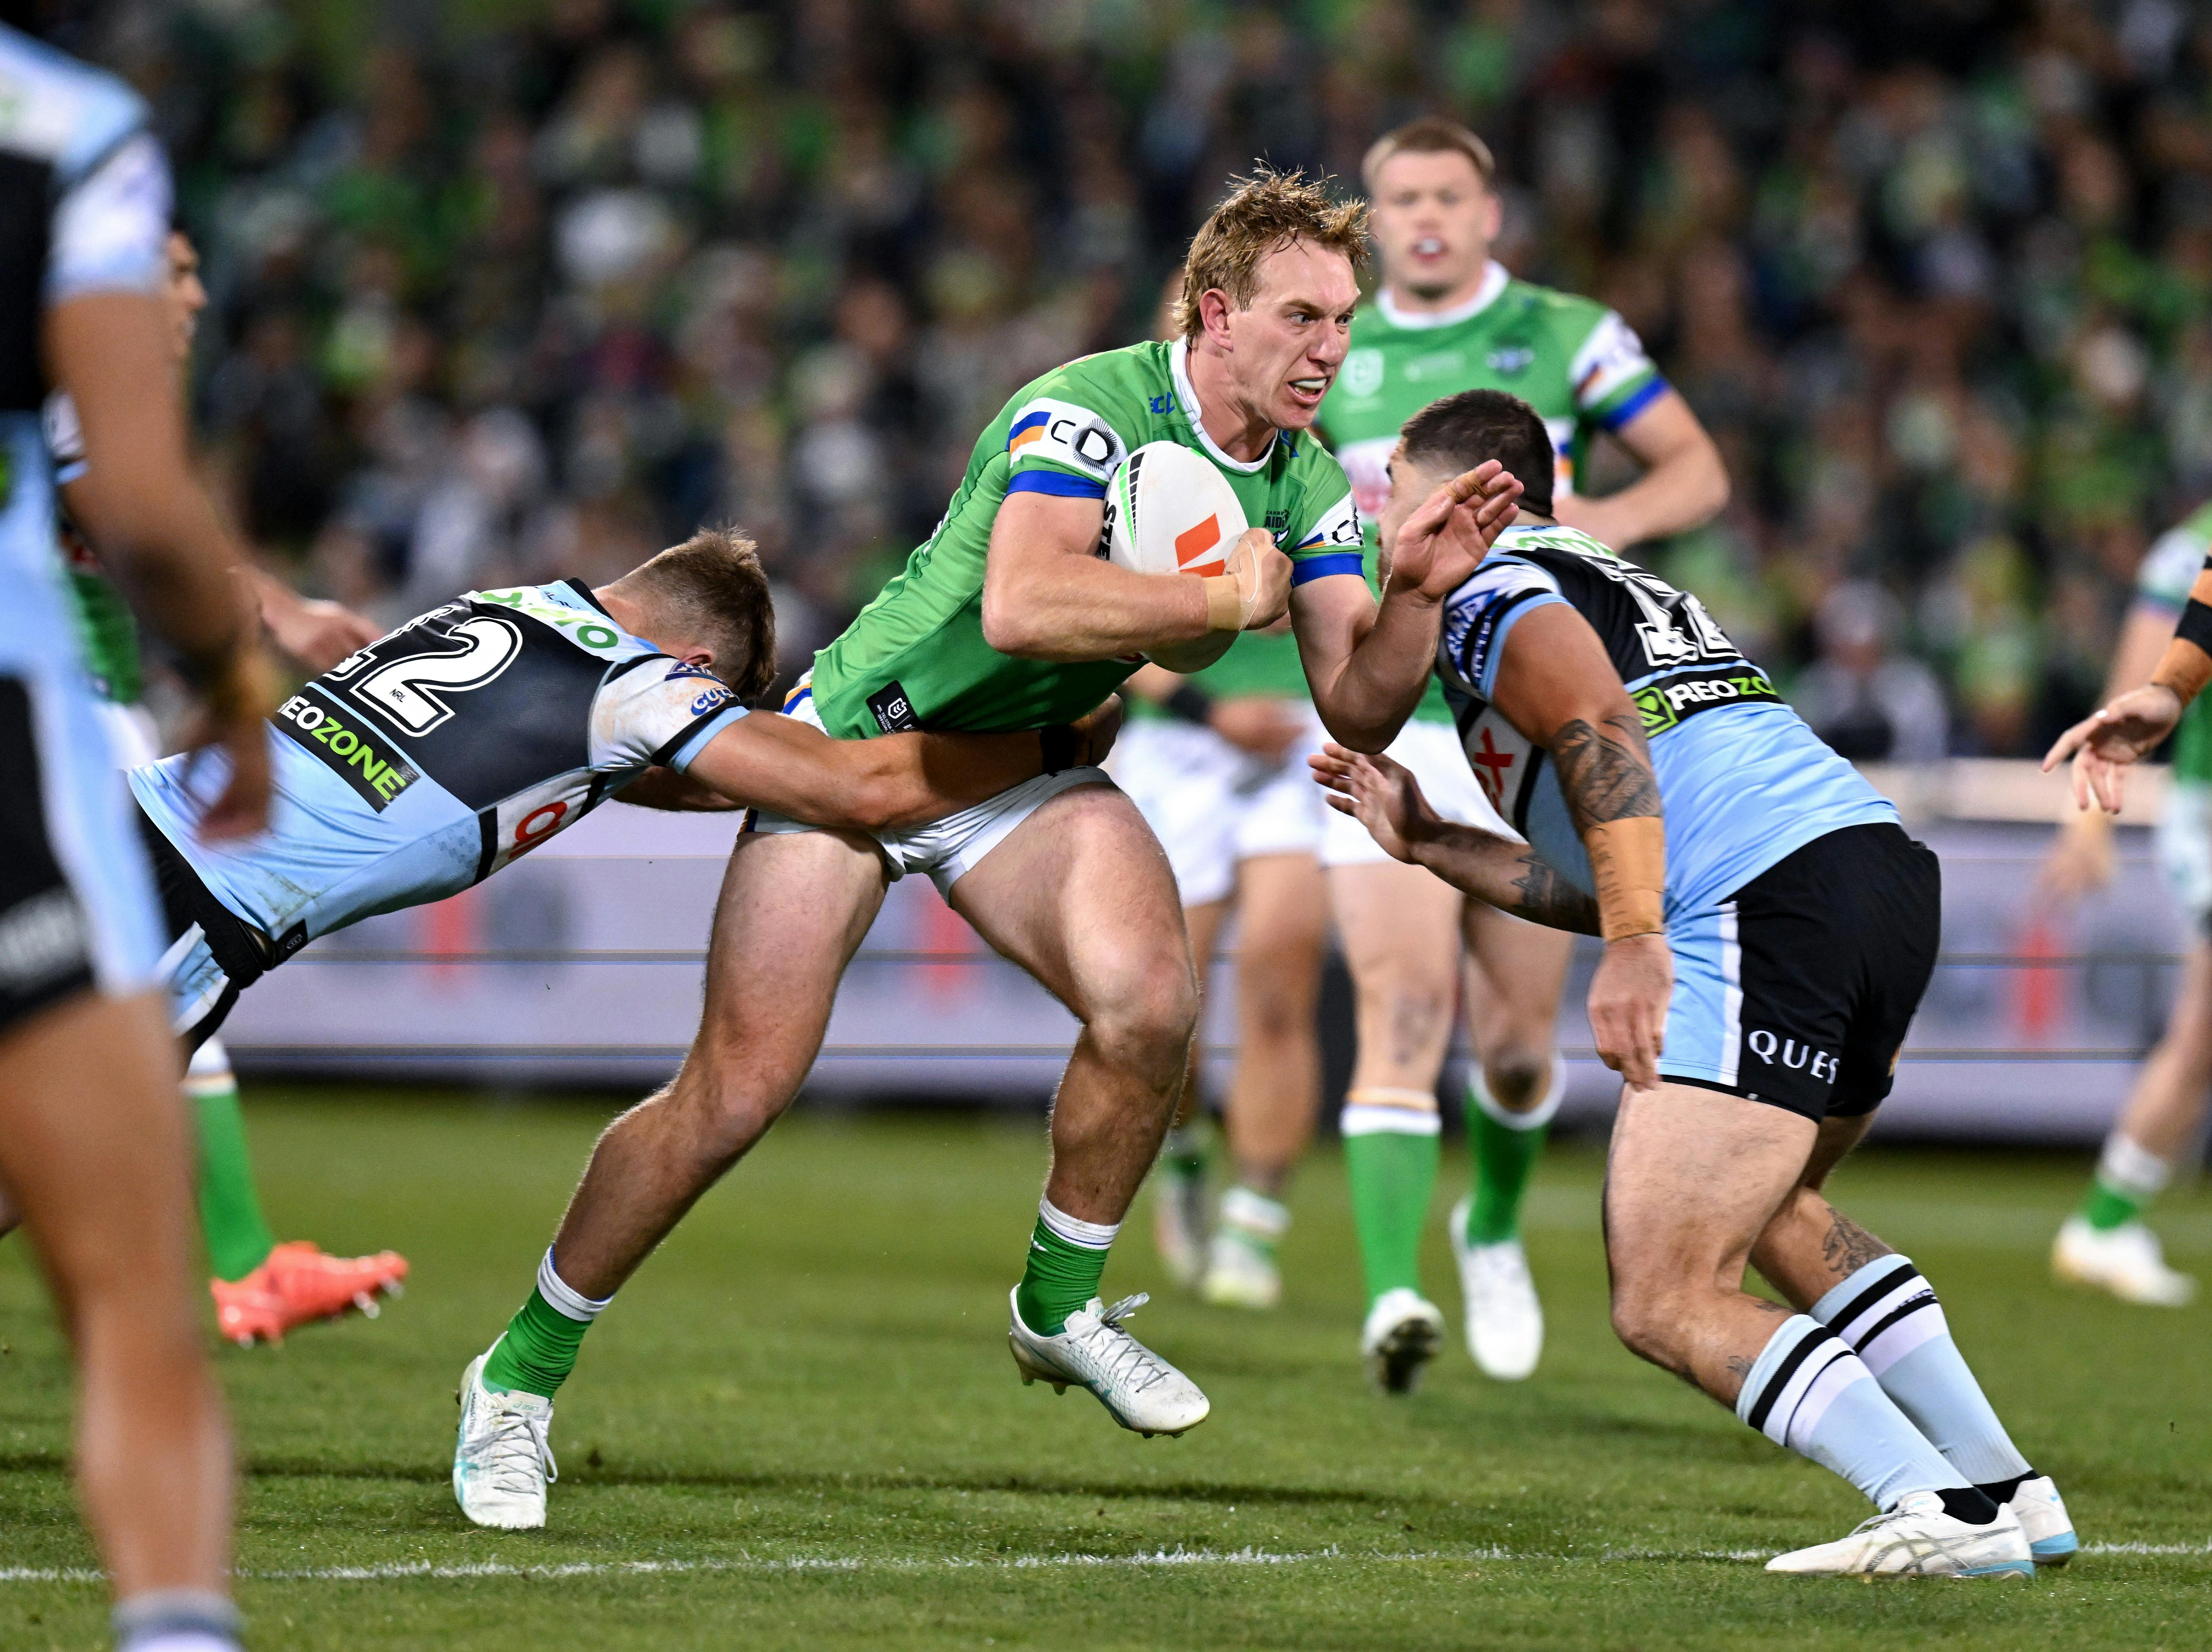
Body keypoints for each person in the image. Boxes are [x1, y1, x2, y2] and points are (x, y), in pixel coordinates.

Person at [450, 169, 1523, 1532]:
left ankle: (1054, 1309)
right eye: (1303, 316)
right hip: (854, 760)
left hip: (1021, 776)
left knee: (1151, 1005)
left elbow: (1354, 698)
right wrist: (1213, 595)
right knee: (736, 1092)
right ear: (1215, 314)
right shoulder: (1086, 407)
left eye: (1343, 321)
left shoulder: (1309, 482)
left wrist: (1416, 593)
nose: (1332, 348)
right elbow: (1020, 606)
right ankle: (514, 1383)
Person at [1315, 388, 2072, 1576]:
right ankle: (2004, 1488)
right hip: (1866, 876)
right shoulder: (1596, 576)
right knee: (1769, 1213)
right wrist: (1433, 843)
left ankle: (1936, 1508)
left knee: (1664, 1290)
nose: (1376, 507)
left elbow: (1599, 725)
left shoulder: (1491, 584)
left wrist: (1629, 945)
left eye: (1392, 478)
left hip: (1764, 902)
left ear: (1453, 485)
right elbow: (1625, 828)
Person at [1316, 118, 1731, 1391]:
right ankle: (1391, 1291)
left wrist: (1583, 526)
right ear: (1373, 219)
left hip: (1530, 718)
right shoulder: (1331, 351)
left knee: (1509, 1045)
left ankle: (1487, 1222)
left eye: (1447, 194)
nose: (1424, 216)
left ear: (1487, 214)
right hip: (1397, 717)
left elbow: (1696, 472)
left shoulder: (1568, 335)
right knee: (1398, 1007)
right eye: (1399, 198)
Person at [0, 22, 278, 1652]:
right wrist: (236, 679)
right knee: (130, 1310)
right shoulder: (69, 128)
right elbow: (152, 511)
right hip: (10, 733)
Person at [42, 227, 408, 1347]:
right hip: (58, 716)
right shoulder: (77, 375)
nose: (198, 292)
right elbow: (120, 523)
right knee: (145, 989)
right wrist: (272, 608)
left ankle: (243, 1260)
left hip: (82, 709)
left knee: (146, 991)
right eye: (178, 268)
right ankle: (238, 1264)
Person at [1114, 657, 1327, 1310]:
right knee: (1166, 1004)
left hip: (1298, 736)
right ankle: (1183, 1152)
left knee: (1278, 988)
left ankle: (1253, 1225)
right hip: (1179, 743)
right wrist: (1209, 709)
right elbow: (1104, 615)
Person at [2040, 501, 2212, 1304]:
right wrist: (2087, 819)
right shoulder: (2193, 545)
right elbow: (2149, 672)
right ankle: (2103, 1223)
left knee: (2202, 1036)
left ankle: (2104, 1222)